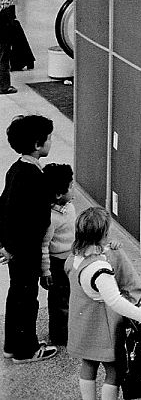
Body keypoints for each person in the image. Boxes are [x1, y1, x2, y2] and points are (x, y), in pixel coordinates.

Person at [68, 206, 141, 400]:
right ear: (103, 234)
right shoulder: (100, 269)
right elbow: (115, 300)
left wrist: (107, 248)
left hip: (83, 324)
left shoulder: (76, 256)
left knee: (88, 364)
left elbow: (93, 253)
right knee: (114, 370)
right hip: (103, 326)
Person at [0, 114, 57, 363]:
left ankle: (12, 345)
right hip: (27, 249)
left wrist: (5, 245)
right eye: (49, 138)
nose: (50, 142)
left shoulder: (15, 170)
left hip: (15, 248)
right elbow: (35, 221)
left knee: (17, 296)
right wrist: (13, 247)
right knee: (27, 299)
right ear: (37, 144)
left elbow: (4, 208)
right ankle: (26, 350)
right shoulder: (35, 178)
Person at [41, 162, 75, 347]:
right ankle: (60, 336)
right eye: (70, 186)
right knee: (59, 301)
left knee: (69, 297)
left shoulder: (68, 207)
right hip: (56, 264)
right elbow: (44, 245)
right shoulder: (51, 218)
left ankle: (68, 330)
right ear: (58, 194)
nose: (73, 188)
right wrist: (45, 271)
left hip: (70, 259)